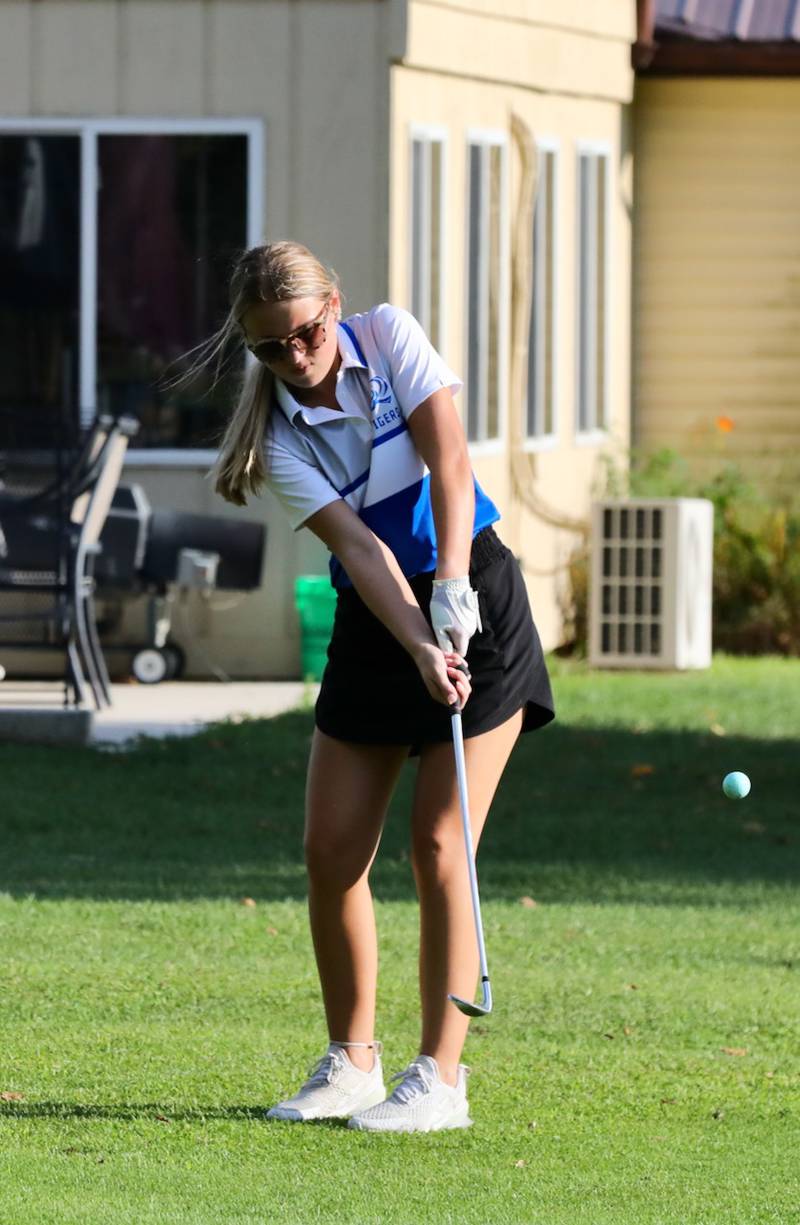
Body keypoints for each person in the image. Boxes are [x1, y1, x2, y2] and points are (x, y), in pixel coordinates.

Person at [207, 240, 554, 1133]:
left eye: (306, 333)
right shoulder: (276, 439)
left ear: (334, 305)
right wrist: (415, 641)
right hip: (378, 618)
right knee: (331, 850)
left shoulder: (390, 336)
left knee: (440, 845)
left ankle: (441, 1079)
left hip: (477, 588)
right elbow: (360, 554)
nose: (296, 358)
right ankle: (352, 1062)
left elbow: (451, 465)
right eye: (270, 348)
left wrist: (450, 591)